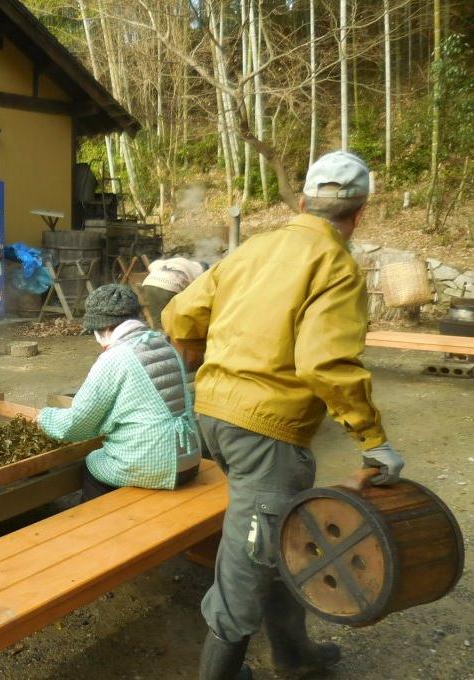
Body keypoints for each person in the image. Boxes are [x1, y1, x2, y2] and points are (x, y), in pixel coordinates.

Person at [162, 151, 405, 680]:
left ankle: (293, 654)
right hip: (266, 433)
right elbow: (326, 363)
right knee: (248, 559)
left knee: (279, 536)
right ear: (359, 213)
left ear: (301, 202)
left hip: (216, 418)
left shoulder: (256, 247)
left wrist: (201, 358)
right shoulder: (337, 266)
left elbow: (180, 311)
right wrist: (372, 439)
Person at [38, 284, 201, 500]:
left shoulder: (115, 358)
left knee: (94, 462)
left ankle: (97, 525)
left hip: (156, 465)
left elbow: (77, 424)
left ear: (104, 328)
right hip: (188, 458)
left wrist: (44, 418)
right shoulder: (163, 345)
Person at [141, 257, 209, 328]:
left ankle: (159, 336)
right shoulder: (199, 271)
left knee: (158, 318)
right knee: (175, 321)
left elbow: (151, 266)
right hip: (171, 286)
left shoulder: (179, 261)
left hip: (149, 283)